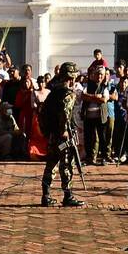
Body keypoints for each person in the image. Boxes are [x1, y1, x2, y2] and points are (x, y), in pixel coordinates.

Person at [39, 62, 83, 207]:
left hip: (52, 135)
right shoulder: (68, 94)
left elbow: (43, 112)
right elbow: (65, 113)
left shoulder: (53, 93)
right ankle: (68, 195)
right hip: (63, 136)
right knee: (67, 164)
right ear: (71, 78)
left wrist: (46, 131)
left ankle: (46, 195)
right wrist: (65, 131)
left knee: (51, 164)